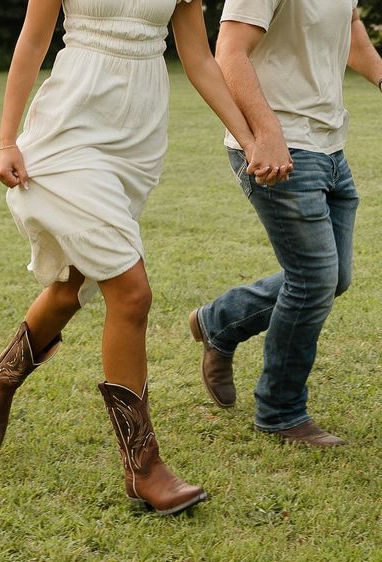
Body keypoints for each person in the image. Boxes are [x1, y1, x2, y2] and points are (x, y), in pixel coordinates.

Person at [0, 0, 287, 515]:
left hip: (136, 133)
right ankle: (143, 466)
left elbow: (200, 59)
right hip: (69, 125)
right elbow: (32, 42)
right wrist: (7, 139)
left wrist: (251, 135)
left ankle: (4, 374)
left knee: (71, 285)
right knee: (131, 292)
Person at [189, 0, 382, 447]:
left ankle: (219, 321)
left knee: (333, 278)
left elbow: (350, 25)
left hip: (329, 146)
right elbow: (230, 51)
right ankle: (280, 410)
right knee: (314, 280)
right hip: (278, 147)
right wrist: (268, 132)